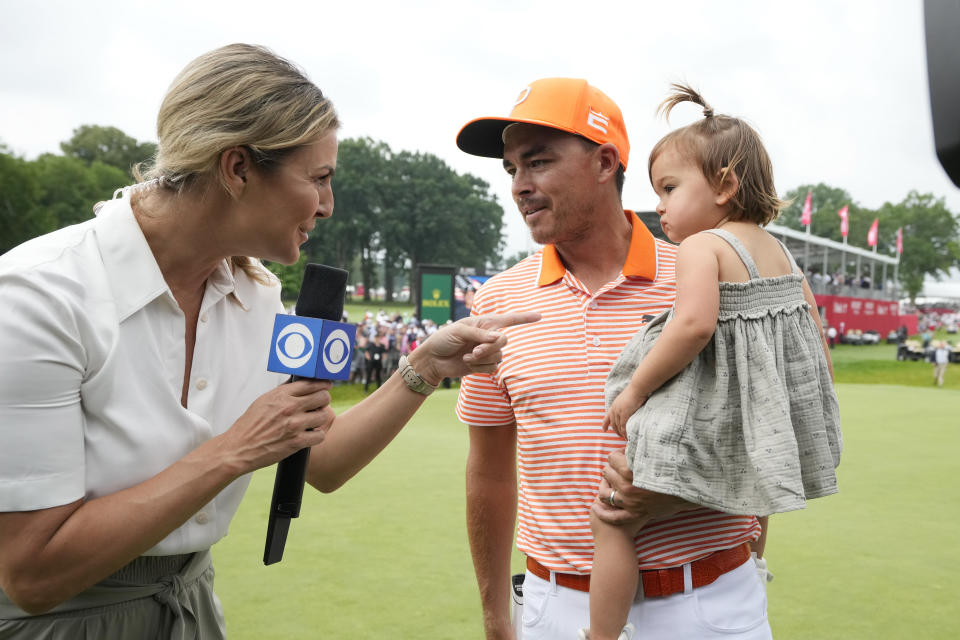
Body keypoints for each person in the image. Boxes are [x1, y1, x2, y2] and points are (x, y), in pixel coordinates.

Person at [0, 43, 538, 639]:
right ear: (237, 169)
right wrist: (234, 450)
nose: (329, 206)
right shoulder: (37, 297)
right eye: (320, 178)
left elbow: (322, 459)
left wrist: (425, 366)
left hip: (191, 609)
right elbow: (33, 573)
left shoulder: (254, 296)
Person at [455, 77, 770, 640]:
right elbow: (489, 471)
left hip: (709, 599)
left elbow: (767, 425)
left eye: (538, 162)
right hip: (556, 606)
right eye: (511, 169)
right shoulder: (497, 300)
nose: (520, 186)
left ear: (604, 163)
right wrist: (495, 613)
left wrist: (684, 495)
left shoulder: (707, 274)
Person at [589, 85, 843, 640]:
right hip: (757, 423)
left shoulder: (703, 247)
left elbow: (693, 325)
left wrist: (634, 393)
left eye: (671, 189)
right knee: (754, 498)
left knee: (612, 512)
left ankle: (601, 633)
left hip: (701, 419)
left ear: (725, 186)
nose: (659, 206)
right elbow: (814, 344)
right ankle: (752, 564)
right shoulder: (780, 253)